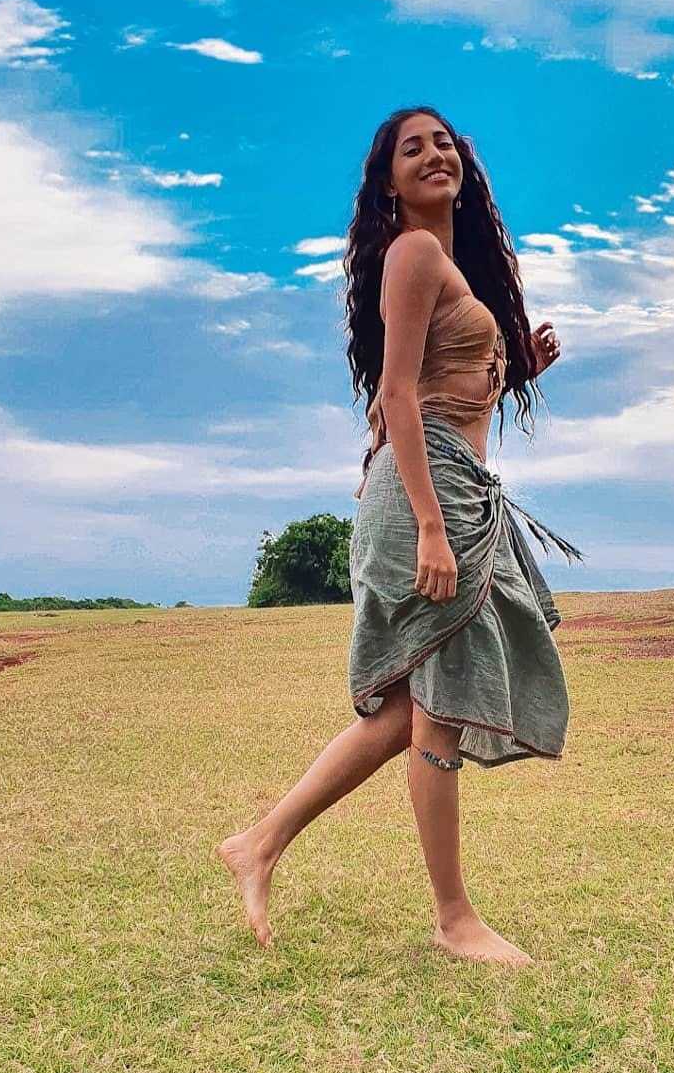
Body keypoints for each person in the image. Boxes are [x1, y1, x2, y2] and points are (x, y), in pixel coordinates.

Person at [217, 105, 582, 967]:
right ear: (389, 181)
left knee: (406, 712)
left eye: (443, 143)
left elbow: (443, 389)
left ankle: (259, 843)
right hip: (429, 498)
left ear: (465, 165)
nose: (433, 155)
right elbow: (398, 395)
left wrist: (517, 369)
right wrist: (428, 526)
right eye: (411, 149)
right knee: (438, 709)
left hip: (447, 487)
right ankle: (454, 920)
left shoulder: (444, 266)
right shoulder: (413, 252)